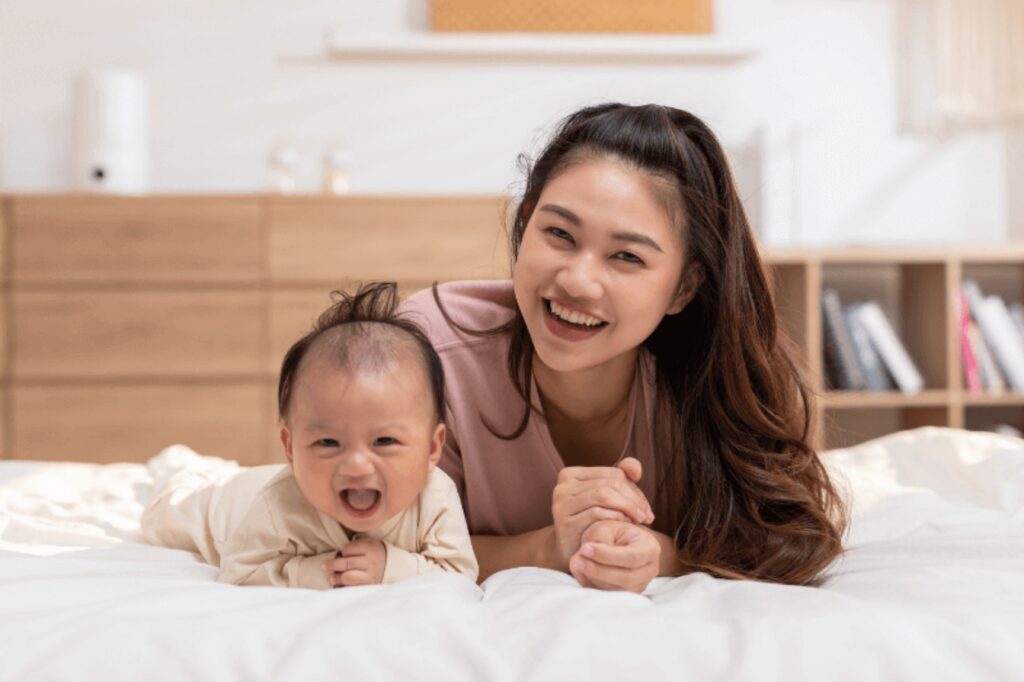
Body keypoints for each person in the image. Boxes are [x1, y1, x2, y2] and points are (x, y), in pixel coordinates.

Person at [399, 102, 847, 593]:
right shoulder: (426, 354)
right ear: (525, 224)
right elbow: (371, 541)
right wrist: (552, 548)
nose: (578, 280)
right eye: (559, 234)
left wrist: (658, 554)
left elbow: (784, 540)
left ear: (684, 287)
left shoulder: (718, 379)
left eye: (627, 256)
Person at [141, 283, 478, 588]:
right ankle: (180, 472)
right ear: (290, 447)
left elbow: (461, 571)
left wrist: (392, 566)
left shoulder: (436, 499)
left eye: (384, 441)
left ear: (432, 448)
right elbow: (239, 571)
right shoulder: (278, 505)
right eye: (329, 442)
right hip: (229, 508)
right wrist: (318, 572)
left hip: (256, 485)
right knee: (164, 516)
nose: (357, 466)